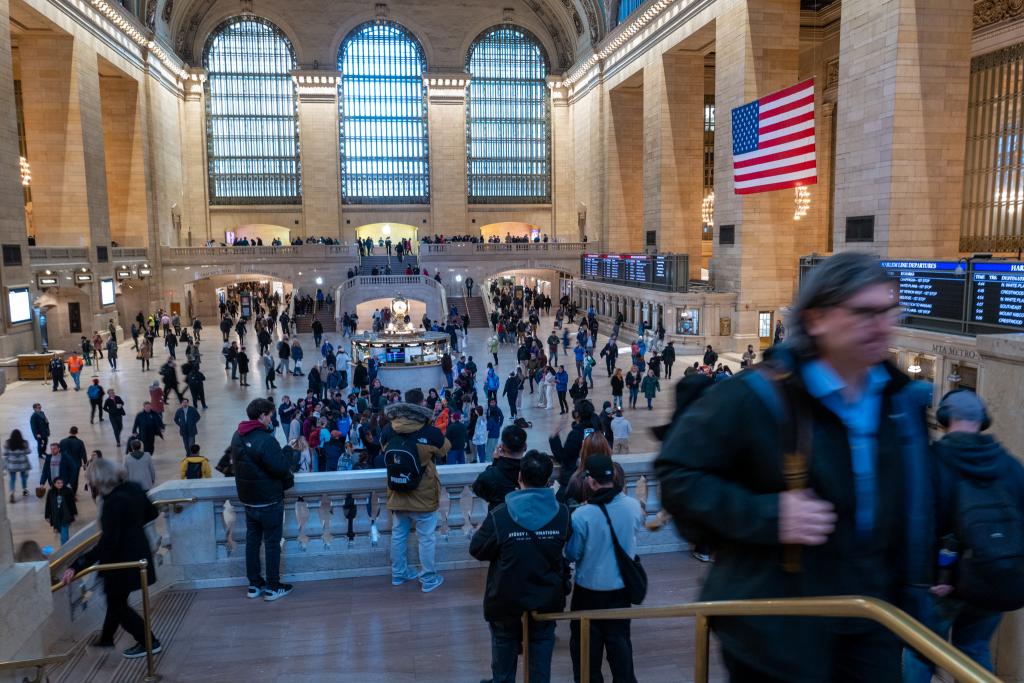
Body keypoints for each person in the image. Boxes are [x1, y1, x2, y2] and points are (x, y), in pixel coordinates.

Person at [655, 252, 929, 682]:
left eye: (889, 310)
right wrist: (768, 516)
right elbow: (678, 477)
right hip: (778, 632)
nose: (882, 325)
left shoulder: (900, 403)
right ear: (817, 318)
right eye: (864, 312)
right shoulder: (757, 395)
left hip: (872, 623)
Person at [903, 390, 1024, 680]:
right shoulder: (1010, 466)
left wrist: (925, 577)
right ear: (983, 421)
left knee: (920, 651)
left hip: (941, 585)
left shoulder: (932, 461)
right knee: (974, 649)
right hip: (992, 580)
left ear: (944, 419)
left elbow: (920, 525)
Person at [470, 450, 570, 683]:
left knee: (503, 662)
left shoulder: (501, 515)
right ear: (547, 481)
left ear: (519, 477)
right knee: (541, 662)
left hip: (506, 598)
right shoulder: (563, 514)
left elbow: (477, 549)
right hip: (546, 598)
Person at [61, 458, 162, 659]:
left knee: (118, 605)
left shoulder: (111, 503)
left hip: (121, 561)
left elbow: (108, 543)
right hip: (139, 552)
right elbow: (152, 512)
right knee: (117, 601)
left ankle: (149, 642)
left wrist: (78, 564)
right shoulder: (133, 488)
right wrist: (131, 528)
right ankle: (106, 639)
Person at [565, 453, 644, 683]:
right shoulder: (633, 507)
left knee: (586, 659)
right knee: (621, 650)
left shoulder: (582, 515)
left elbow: (572, 554)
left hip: (588, 594)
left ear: (590, 481)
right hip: (620, 592)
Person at [383, 389, 450, 593]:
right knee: (426, 537)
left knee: (398, 535)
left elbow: (382, 446)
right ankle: (428, 577)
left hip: (397, 490)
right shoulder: (430, 432)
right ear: (422, 404)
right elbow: (445, 448)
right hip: (423, 494)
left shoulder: (389, 428)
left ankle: (399, 573)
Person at [231, 398, 295, 602]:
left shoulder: (237, 435)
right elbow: (280, 467)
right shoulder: (266, 439)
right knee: (272, 543)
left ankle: (254, 584)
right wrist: (287, 454)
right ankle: (273, 586)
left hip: (249, 500)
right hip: (268, 500)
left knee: (252, 542)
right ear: (261, 416)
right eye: (269, 415)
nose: (271, 419)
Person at [471, 425, 528, 510]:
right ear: (525, 446)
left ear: (502, 446)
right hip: (526, 520)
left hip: (499, 519)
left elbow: (477, 489)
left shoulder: (491, 475)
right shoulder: (532, 471)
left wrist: (496, 462)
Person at [44, 475, 77, 544]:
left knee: (64, 534)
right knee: (63, 532)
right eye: (58, 483)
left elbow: (72, 504)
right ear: (54, 484)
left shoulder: (68, 491)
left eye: (61, 483)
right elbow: (48, 505)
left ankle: (65, 549)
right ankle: (68, 547)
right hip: (56, 516)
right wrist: (47, 516)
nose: (60, 484)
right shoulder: (51, 492)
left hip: (66, 515)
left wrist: (74, 513)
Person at [3, 429, 31, 503]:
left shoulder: (7, 443)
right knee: (23, 477)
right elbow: (28, 451)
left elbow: (5, 453)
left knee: (12, 479)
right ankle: (24, 490)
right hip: (22, 464)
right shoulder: (24, 442)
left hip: (12, 465)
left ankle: (12, 493)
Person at [58, 427, 87, 492]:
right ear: (77, 432)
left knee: (65, 478)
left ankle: (65, 492)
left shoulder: (62, 441)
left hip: (65, 464)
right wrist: (85, 463)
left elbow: (59, 453)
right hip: (76, 464)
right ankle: (73, 494)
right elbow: (83, 453)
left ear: (69, 432)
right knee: (75, 480)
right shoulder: (80, 442)